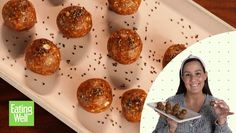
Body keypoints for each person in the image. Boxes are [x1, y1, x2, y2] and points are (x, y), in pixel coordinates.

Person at [152, 54, 233, 133]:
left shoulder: (217, 106)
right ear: (182, 78)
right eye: (188, 75)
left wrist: (221, 120)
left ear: (205, 75)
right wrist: (170, 129)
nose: (193, 79)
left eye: (198, 73)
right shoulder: (171, 103)